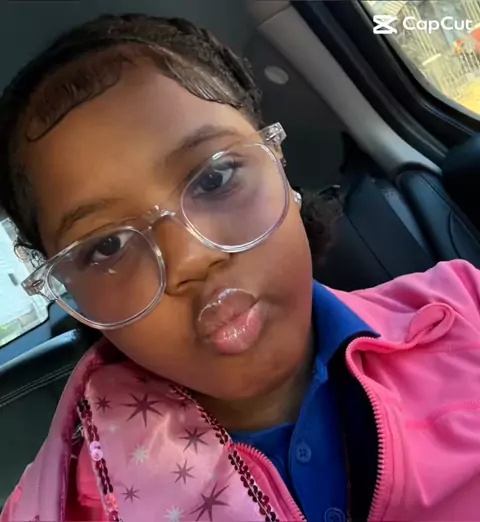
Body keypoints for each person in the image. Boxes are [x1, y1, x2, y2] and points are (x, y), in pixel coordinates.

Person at [1, 14, 480, 522]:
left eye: (215, 178)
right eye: (108, 245)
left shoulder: (464, 307)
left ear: (278, 160)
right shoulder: (65, 505)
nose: (191, 258)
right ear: (71, 289)